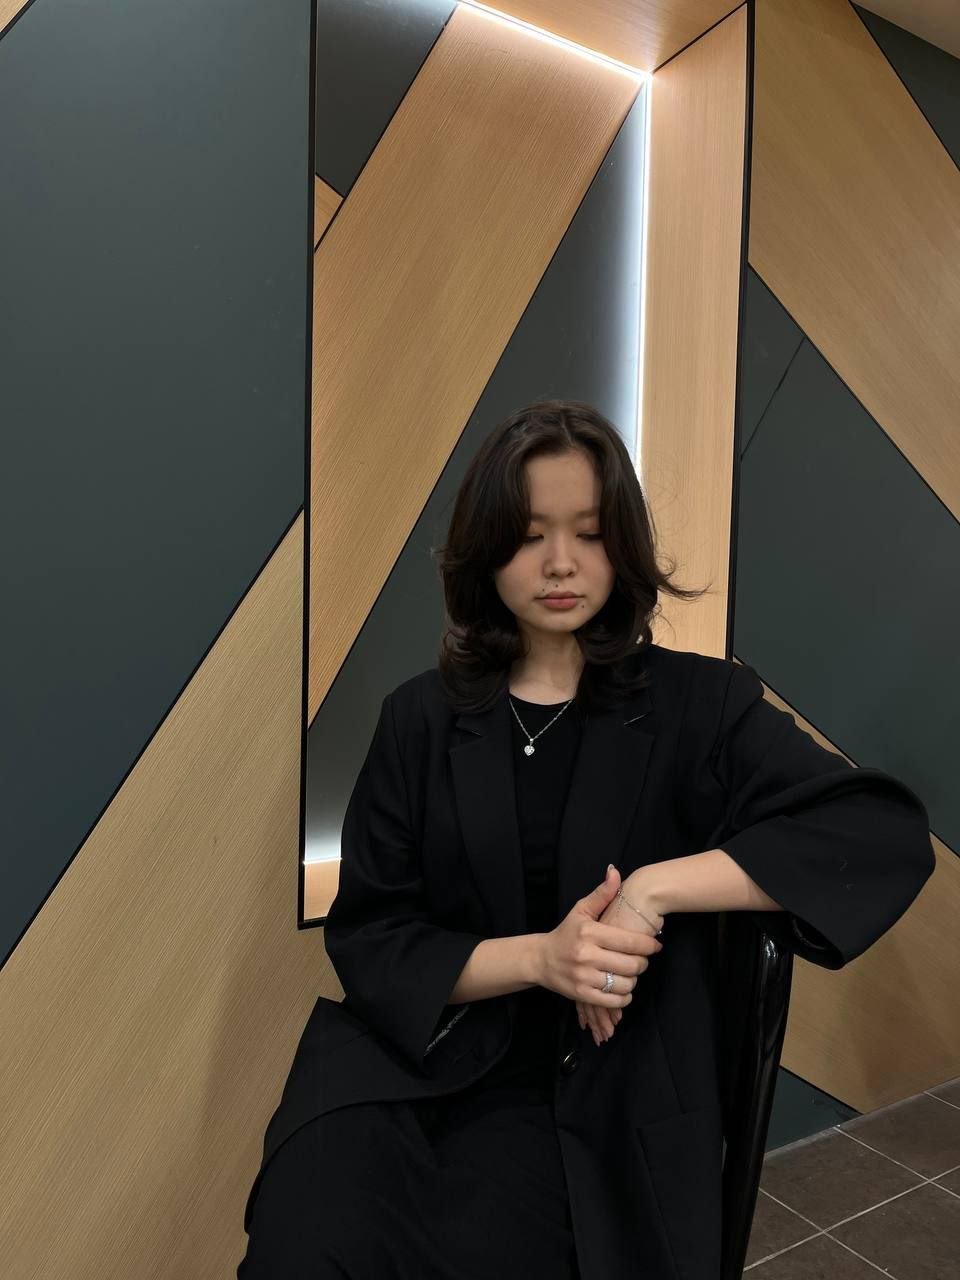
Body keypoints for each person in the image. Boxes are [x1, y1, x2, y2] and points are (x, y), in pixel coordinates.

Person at [237, 399, 935, 1279]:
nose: (561, 562)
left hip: (605, 1087)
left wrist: (653, 890)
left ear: (623, 547)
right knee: (309, 1229)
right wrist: (543, 959)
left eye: (591, 534)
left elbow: (872, 830)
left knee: (482, 1246)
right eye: (530, 535)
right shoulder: (419, 719)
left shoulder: (699, 706)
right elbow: (374, 936)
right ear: (487, 551)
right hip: (426, 1062)